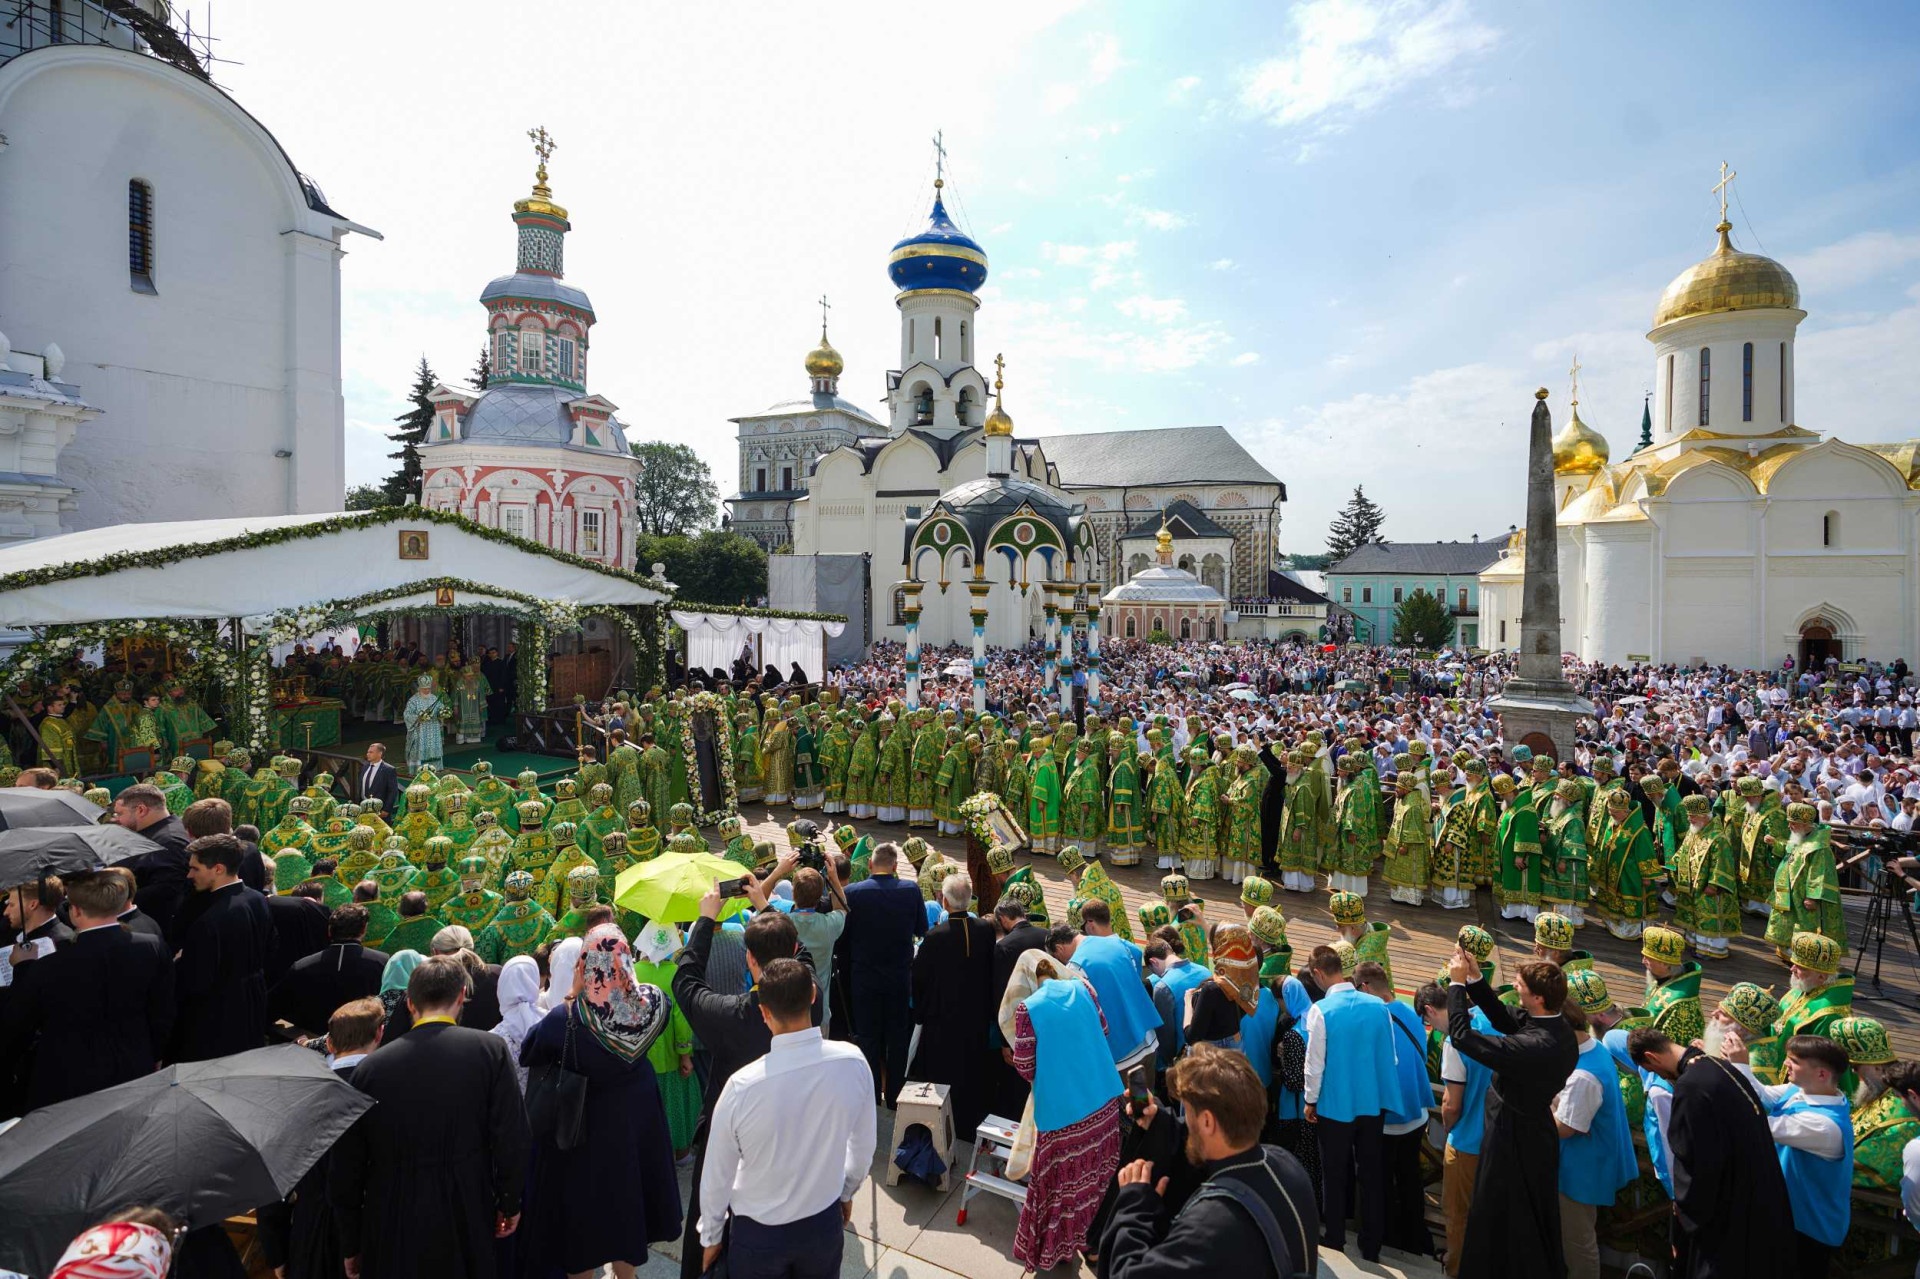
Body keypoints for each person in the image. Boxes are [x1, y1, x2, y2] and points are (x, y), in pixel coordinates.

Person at [330, 955, 531, 1279]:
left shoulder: (371, 1069)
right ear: (460, 998)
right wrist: (509, 1202)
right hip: (466, 1204)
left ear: (409, 1003)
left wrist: (351, 1242)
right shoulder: (490, 1052)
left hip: (393, 1213)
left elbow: (347, 1168)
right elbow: (512, 1137)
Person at [520, 923, 682, 1279]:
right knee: (629, 1197)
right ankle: (627, 1275)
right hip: (636, 1119)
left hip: (586, 1128)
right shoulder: (654, 1003)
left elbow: (530, 1049)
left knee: (585, 1212)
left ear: (585, 964)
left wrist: (571, 995)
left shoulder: (569, 1018)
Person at [671, 886, 818, 1279]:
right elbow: (800, 955)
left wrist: (704, 920)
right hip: (793, 1135)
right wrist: (765, 906)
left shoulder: (731, 1017)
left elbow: (685, 982)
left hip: (733, 1143)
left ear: (749, 960)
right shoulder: (810, 997)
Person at [698, 957, 875, 1279]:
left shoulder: (741, 1086)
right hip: (822, 1221)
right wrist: (847, 1191)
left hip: (759, 1234)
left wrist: (710, 1236)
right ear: (812, 995)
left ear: (764, 1013)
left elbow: (717, 1174)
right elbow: (863, 1146)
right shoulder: (853, 1062)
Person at [1101, 1045, 1320, 1279]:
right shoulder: (1285, 1163)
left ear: (1207, 1121)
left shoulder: (1209, 1225)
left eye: (1189, 1112)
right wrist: (1163, 1126)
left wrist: (1132, 1207)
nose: (1188, 1120)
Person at [1446, 950, 1580, 1279]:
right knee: (1529, 1216)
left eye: (1520, 986)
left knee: (1499, 1219)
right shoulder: (1556, 1027)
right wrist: (1476, 979)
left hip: (1512, 1141)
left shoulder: (1534, 1046)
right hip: (1532, 1133)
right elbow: (1505, 1018)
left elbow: (1463, 1037)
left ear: (1537, 997)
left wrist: (1456, 985)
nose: (1515, 988)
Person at [1629, 1026, 1796, 1278]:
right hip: (1758, 1194)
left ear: (1651, 1058)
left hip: (1728, 1209)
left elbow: (1694, 1160)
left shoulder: (1690, 1087)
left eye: (1654, 1072)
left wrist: (1683, 1212)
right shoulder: (1717, 1064)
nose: (1662, 1078)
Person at [0, 870, 172, 1111]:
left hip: (66, 1080)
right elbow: (163, 1010)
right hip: (134, 1067)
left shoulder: (49, 965)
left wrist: (23, 967)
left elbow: (18, 1022)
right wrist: (155, 1055)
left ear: (76, 910)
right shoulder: (153, 947)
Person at [1010, 952, 1124, 1272]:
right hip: (1103, 1102)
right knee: (1098, 1180)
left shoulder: (1028, 1009)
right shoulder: (1084, 990)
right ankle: (1094, 1242)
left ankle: (1059, 1249)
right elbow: (1103, 1029)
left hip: (1063, 1116)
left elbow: (1025, 1065)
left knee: (1062, 1188)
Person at [258, 997, 380, 1279]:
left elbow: (274, 1180)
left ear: (329, 1044)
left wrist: (276, 1251)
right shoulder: (391, 1089)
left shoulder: (297, 1096)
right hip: (375, 1228)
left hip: (312, 1233)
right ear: (379, 1035)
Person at [1726, 1031, 1855, 1276]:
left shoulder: (1824, 1126)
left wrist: (1741, 1065)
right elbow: (1760, 1095)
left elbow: (1755, 1123)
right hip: (1788, 1216)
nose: (1786, 1064)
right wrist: (1736, 1065)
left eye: (1794, 1061)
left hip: (1809, 1228)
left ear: (1821, 1074)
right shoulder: (1802, 1089)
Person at [1301, 944, 1398, 1262]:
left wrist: (1310, 1101)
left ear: (1317, 973)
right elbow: (1390, 1056)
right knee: (1371, 1174)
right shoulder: (1378, 1007)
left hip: (1334, 1105)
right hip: (1372, 1103)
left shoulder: (1321, 1011)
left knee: (1334, 1173)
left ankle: (1335, 1238)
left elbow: (1314, 1065)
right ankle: (1372, 1244)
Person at [1552, 987, 1638, 1279]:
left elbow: (1565, 1128)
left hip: (1580, 1171)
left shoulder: (1583, 1078)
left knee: (1578, 1243)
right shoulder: (1595, 1047)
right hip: (1592, 1160)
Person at [171, 833, 274, 1062]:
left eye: (196, 869)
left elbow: (197, 980)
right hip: (252, 1002)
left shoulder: (210, 920)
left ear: (218, 869)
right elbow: (270, 947)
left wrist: (180, 962)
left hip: (217, 1014)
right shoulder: (257, 899)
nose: (189, 875)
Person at [909, 871, 997, 1132]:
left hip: (943, 1018)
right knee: (971, 1073)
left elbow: (919, 977)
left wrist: (921, 1011)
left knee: (943, 1076)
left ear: (944, 902)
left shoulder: (936, 935)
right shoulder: (984, 929)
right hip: (976, 1016)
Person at [1357, 961, 1435, 1257]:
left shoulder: (1373, 1018)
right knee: (1410, 1178)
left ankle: (1388, 1238)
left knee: (1381, 1182)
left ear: (1364, 987)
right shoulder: (1411, 1013)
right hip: (1416, 1113)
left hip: (1387, 1118)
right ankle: (1415, 1238)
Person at [841, 839, 925, 1106]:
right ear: (895, 866)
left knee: (867, 1038)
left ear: (869, 864)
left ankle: (871, 1095)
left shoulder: (853, 892)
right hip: (898, 978)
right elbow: (922, 929)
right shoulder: (910, 890)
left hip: (863, 978)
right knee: (897, 1038)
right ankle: (895, 1096)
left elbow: (844, 936)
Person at [268, 903, 389, 1037]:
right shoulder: (382, 963)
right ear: (363, 930)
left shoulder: (302, 966)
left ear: (330, 931)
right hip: (364, 1043)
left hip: (312, 1045)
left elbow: (272, 1007)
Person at [112, 781, 193, 933]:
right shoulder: (160, 832)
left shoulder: (169, 841)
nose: (117, 819)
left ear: (141, 810)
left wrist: (114, 898)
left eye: (120, 813)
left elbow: (166, 890)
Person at [359, 742, 401, 815]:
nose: (367, 754)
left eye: (371, 752)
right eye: (368, 752)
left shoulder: (389, 769)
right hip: (363, 809)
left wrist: (386, 809)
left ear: (380, 754)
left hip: (380, 811)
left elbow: (393, 791)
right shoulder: (364, 767)